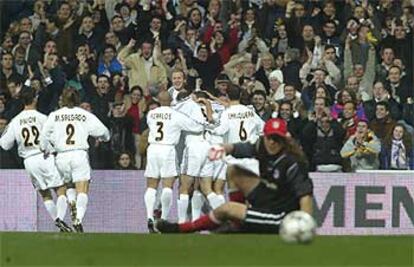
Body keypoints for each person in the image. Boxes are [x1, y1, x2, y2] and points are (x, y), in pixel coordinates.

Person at [156, 118, 313, 234]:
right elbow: (245, 149)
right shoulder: (262, 147)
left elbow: (305, 195)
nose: (273, 143)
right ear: (264, 136)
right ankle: (237, 225)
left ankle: (180, 228)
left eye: (277, 139)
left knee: (227, 208)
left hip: (281, 216)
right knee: (233, 171)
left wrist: (304, 224)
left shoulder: (293, 162)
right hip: (270, 198)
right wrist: (224, 147)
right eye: (270, 137)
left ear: (285, 140)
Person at [0, 87, 72, 232]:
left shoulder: (15, 121)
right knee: (61, 189)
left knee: (44, 193)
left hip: (29, 161)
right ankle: (60, 220)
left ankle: (58, 222)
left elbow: (5, 144)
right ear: (35, 99)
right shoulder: (42, 118)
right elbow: (55, 137)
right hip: (45, 156)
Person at [40, 88, 110, 232]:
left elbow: (43, 139)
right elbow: (103, 132)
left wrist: (48, 149)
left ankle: (71, 203)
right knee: (82, 188)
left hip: (61, 156)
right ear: (77, 99)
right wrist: (104, 138)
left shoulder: (54, 115)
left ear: (63, 100)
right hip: (79, 154)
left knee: (69, 186)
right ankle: (77, 220)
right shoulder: (84, 114)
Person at [144, 91, 206, 232]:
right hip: (168, 149)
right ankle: (163, 219)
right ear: (171, 100)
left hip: (153, 148)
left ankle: (149, 216)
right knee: (167, 186)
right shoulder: (176, 115)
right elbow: (196, 127)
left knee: (151, 186)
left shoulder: (151, 114)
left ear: (157, 100)